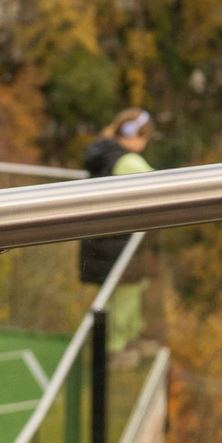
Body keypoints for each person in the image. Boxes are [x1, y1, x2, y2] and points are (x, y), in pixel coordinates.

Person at [80, 108, 155, 352]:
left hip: (102, 240)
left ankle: (119, 344)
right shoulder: (127, 161)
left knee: (114, 297)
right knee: (126, 297)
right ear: (136, 136)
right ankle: (117, 348)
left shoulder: (103, 152)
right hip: (120, 244)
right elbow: (162, 187)